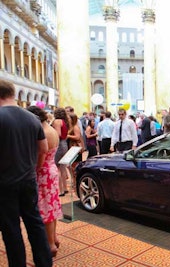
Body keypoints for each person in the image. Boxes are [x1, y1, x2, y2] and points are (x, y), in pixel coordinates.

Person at [0, 79, 53, 267]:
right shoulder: (32, 118)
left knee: (11, 228)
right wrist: (35, 169)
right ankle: (44, 263)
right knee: (35, 223)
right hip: (28, 180)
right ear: (12, 94)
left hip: (5, 183)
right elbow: (43, 148)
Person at [27, 106, 63, 257]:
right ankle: (54, 238)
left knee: (46, 208)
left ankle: (49, 245)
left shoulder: (42, 132)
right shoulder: (52, 129)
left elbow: (40, 159)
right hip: (52, 169)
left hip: (44, 173)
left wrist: (33, 171)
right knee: (52, 205)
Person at [52, 107, 71, 197]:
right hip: (64, 144)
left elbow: (58, 134)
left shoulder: (57, 121)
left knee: (57, 168)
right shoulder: (65, 121)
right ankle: (65, 188)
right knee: (63, 168)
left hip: (59, 144)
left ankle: (60, 190)